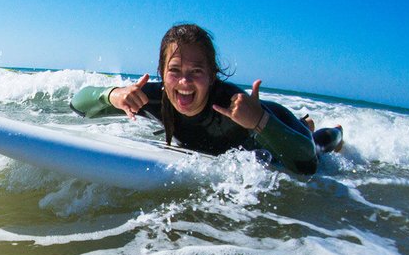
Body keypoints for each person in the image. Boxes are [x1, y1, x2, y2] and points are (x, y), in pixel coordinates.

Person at [70, 23, 342, 175]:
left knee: (319, 143)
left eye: (196, 72)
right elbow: (78, 105)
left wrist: (259, 121)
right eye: (174, 71)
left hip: (273, 120)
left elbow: (306, 165)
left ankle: (322, 127)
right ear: (162, 74)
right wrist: (112, 95)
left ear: (212, 76)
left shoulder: (232, 105)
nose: (184, 83)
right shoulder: (156, 98)